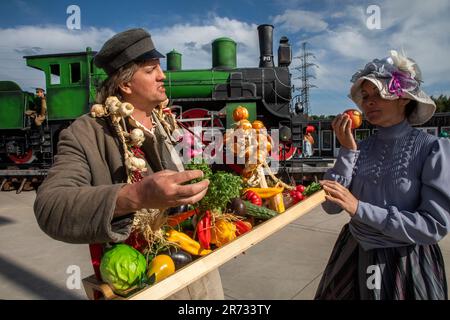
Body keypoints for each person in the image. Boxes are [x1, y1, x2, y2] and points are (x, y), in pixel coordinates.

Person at [34, 28, 224, 299]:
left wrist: (239, 162)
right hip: (146, 283)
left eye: (160, 68)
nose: (162, 76)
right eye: (151, 70)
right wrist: (135, 196)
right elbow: (50, 208)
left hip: (201, 270)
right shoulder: (86, 132)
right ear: (125, 84)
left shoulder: (169, 122)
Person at [315, 50, 450, 300]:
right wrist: (347, 149)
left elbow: (433, 226)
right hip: (354, 254)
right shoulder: (359, 148)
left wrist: (359, 208)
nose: (368, 102)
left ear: (404, 98)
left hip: (405, 264)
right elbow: (331, 208)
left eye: (378, 94)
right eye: (365, 96)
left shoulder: (432, 148)